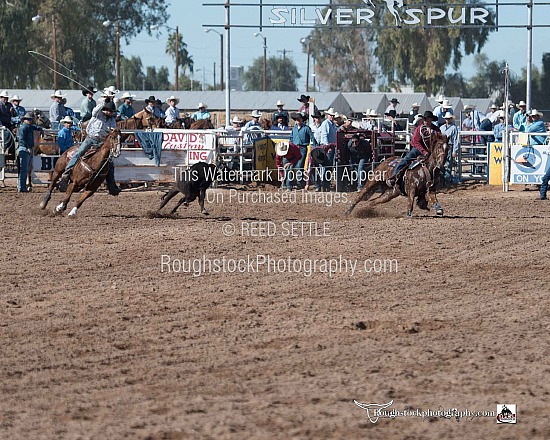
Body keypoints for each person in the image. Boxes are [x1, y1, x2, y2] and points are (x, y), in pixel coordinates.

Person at [59, 99, 121, 196]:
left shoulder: (112, 119)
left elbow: (113, 129)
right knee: (79, 152)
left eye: (111, 111)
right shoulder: (98, 114)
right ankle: (66, 174)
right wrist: (104, 103)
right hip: (91, 138)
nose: (110, 113)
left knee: (109, 162)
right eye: (109, 110)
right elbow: (95, 110)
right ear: (104, 109)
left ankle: (111, 185)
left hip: (102, 142)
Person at [387, 110, 441, 186]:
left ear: (430, 119)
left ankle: (438, 179)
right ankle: (393, 176)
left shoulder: (436, 130)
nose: (425, 121)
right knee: (406, 160)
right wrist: (424, 151)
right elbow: (415, 142)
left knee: (439, 163)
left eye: (427, 119)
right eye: (424, 119)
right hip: (418, 150)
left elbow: (439, 141)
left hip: (431, 152)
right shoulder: (419, 129)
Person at [289, 111, 317, 189]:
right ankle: (291, 184)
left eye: (299, 119)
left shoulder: (306, 128)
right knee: (292, 166)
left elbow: (312, 137)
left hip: (302, 148)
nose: (298, 120)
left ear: (302, 120)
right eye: (297, 119)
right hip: (294, 148)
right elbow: (291, 138)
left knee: (299, 166)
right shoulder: (294, 129)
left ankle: (299, 183)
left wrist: (314, 146)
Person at [17, 112, 43, 192]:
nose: (29, 120)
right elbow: (21, 139)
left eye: (30, 119)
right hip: (24, 149)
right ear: (25, 120)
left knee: (25, 169)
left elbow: (36, 127)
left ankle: (22, 186)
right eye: (28, 119)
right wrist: (27, 147)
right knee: (24, 169)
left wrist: (40, 128)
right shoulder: (23, 128)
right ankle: (22, 187)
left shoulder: (28, 127)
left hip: (26, 148)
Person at [439, 111, 460, 185]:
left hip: (449, 146)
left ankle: (447, 181)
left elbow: (455, 140)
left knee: (448, 164)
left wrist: (454, 151)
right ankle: (442, 180)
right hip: (442, 147)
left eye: (449, 119)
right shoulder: (441, 128)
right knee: (441, 163)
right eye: (446, 119)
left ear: (451, 119)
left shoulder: (454, 128)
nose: (447, 120)